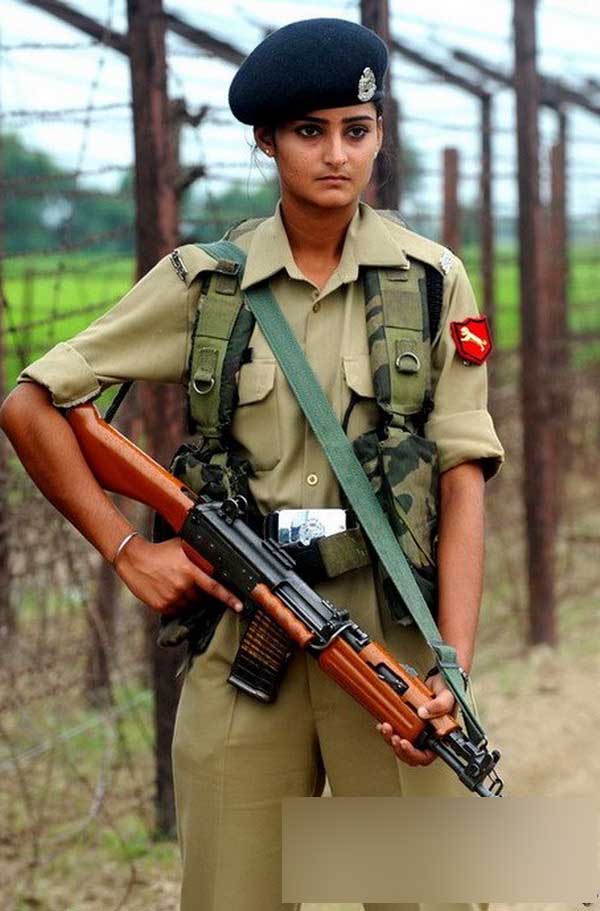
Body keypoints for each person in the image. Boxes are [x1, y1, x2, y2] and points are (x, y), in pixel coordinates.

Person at [0, 17, 504, 911]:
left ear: (380, 134)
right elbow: (31, 403)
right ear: (266, 141)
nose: (337, 155)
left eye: (356, 130)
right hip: (244, 639)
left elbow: (462, 474)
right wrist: (128, 550)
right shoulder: (205, 284)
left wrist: (449, 669)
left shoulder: (432, 282)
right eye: (309, 131)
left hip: (384, 639)